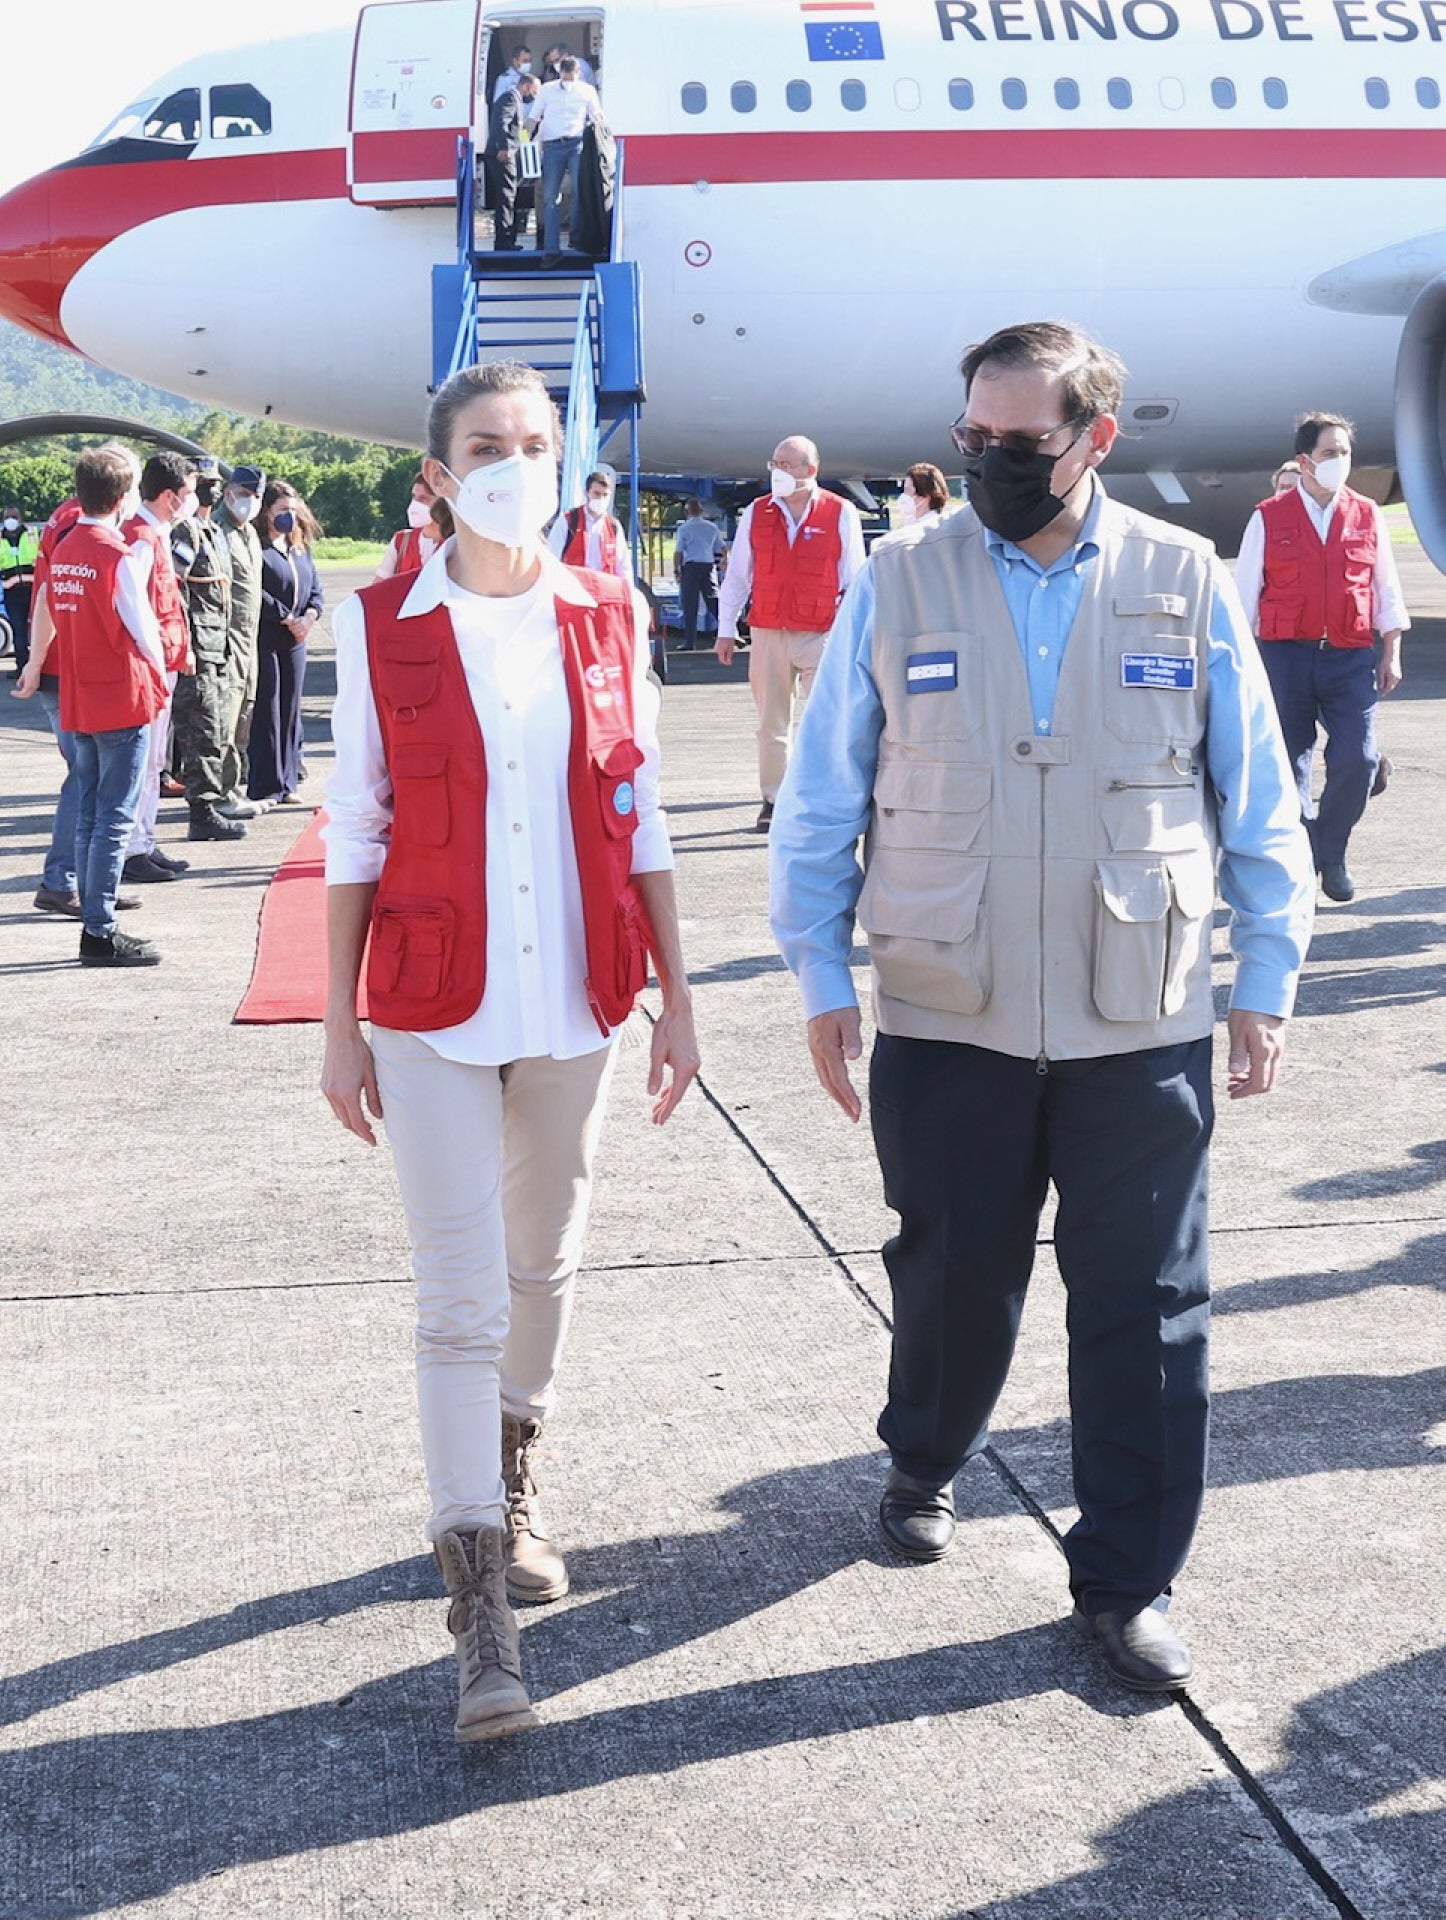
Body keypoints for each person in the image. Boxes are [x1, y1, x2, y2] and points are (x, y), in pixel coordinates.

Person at [770, 320, 1314, 1695]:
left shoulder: (1182, 579)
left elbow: (1253, 796)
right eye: (975, 438)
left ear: (1095, 439)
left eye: (1022, 440)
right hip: (952, 1007)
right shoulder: (900, 577)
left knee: (1145, 1304)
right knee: (954, 1274)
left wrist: (1266, 979)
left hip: (1140, 1013)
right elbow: (827, 791)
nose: (993, 461)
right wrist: (822, 977)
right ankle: (926, 1453)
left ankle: (1129, 1577)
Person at [320, 358, 699, 1743]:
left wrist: (680, 993)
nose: (514, 464)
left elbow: (640, 812)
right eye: (487, 444)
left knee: (545, 1265)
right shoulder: (379, 624)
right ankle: (477, 1610)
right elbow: (356, 826)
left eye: (537, 443)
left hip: (579, 998)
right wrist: (338, 1023)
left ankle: (514, 1466)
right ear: (437, 471)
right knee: (457, 1296)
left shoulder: (610, 611)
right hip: (429, 1000)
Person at [1234, 412, 1408, 903]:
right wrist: (1242, 664)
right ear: (1305, 460)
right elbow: (1245, 596)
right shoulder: (1268, 515)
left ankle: (1330, 848)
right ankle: (1301, 843)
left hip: (1350, 654)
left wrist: (1390, 651)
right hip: (1286, 655)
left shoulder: (1367, 513)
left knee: (1359, 757)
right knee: (1287, 764)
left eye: (1346, 453)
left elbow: (1385, 588)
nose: (1341, 462)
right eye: (1331, 453)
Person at [44, 445, 168, 966]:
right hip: (121, 696)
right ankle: (100, 928)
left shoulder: (65, 547)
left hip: (80, 695)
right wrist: (161, 682)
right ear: (122, 498)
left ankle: (95, 918)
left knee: (90, 814)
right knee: (115, 817)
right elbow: (144, 632)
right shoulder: (114, 555)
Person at [14, 451, 143, 919]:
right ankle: (67, 881)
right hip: (70, 671)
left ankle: (88, 884)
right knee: (89, 785)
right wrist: (35, 661)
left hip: (61, 667)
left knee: (89, 783)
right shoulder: (82, 523)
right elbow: (52, 592)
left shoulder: (66, 517)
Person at [716, 435, 865, 833]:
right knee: (771, 723)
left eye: (786, 465)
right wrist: (726, 629)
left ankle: (820, 797)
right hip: (767, 632)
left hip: (821, 633)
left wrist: (853, 635)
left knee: (825, 720)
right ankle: (774, 799)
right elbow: (738, 576)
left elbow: (855, 579)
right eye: (774, 464)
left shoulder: (840, 512)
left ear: (809, 471)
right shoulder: (757, 511)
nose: (777, 472)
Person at [118, 452, 199, 886]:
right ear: (169, 496)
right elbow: (137, 610)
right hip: (149, 670)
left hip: (163, 664)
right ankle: (133, 849)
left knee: (155, 762)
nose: (193, 500)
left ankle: (144, 841)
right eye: (188, 492)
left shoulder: (157, 534)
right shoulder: (143, 539)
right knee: (146, 762)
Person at [170, 458, 247, 842]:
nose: (213, 489)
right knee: (200, 731)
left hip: (219, 645)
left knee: (216, 729)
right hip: (198, 647)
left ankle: (210, 804)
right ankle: (201, 811)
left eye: (217, 483)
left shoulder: (212, 529)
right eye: (205, 482)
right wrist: (185, 645)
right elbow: (175, 586)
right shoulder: (186, 531)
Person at [247, 482, 323, 808]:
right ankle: (267, 784)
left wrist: (309, 616)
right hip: (268, 637)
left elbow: (315, 588)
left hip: (295, 639)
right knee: (269, 709)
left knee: (291, 710)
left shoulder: (299, 548)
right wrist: (285, 616)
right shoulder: (258, 548)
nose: (289, 517)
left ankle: (290, 780)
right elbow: (254, 590)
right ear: (267, 513)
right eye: (282, 511)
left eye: (293, 511)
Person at [211, 464, 266, 817]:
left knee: (244, 714)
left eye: (256, 496)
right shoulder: (217, 530)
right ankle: (220, 795)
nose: (250, 502)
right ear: (229, 492)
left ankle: (233, 789)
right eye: (244, 494)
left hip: (249, 641)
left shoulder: (249, 533)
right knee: (224, 723)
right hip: (227, 641)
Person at [527, 56, 601, 254]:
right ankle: (551, 247)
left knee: (578, 193)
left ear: (578, 73)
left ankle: (575, 239)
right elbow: (533, 117)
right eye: (565, 76)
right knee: (551, 197)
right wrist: (522, 141)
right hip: (552, 145)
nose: (568, 80)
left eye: (571, 76)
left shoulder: (587, 91)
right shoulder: (547, 90)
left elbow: (597, 116)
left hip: (577, 143)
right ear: (560, 72)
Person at [481, 73, 540, 255]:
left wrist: (526, 143)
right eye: (535, 91)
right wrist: (505, 148)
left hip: (509, 153)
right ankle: (504, 241)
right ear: (526, 86)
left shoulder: (517, 102)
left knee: (510, 196)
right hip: (502, 155)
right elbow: (501, 124)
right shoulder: (510, 98)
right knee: (506, 197)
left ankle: (508, 238)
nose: (535, 96)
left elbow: (517, 130)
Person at [547, 469, 633, 581]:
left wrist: (627, 592)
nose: (601, 499)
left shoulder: (613, 526)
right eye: (596, 494)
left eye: (605, 495)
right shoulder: (567, 521)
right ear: (587, 493)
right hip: (574, 589)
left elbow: (623, 566)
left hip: (604, 591)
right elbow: (552, 559)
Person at [373, 475, 455, 580]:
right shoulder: (401, 541)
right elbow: (379, 587)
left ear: (444, 501)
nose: (415, 504)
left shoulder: (456, 543)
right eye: (414, 497)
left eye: (423, 498)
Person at [673, 498, 724, 650]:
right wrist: (724, 561)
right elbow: (722, 548)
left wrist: (677, 570)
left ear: (687, 512)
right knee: (714, 603)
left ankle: (690, 642)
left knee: (690, 606)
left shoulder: (684, 528)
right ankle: (731, 633)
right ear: (702, 511)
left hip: (691, 567)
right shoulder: (712, 527)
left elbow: (678, 552)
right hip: (708, 566)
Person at [0, 505, 39, 676]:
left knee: (37, 629)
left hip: (32, 589)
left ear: (20, 518)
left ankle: (36, 666)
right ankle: (23, 667)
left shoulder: (31, 533)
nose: (11, 520)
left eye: (13, 516)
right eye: (8, 516)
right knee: (19, 630)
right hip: (12, 591)